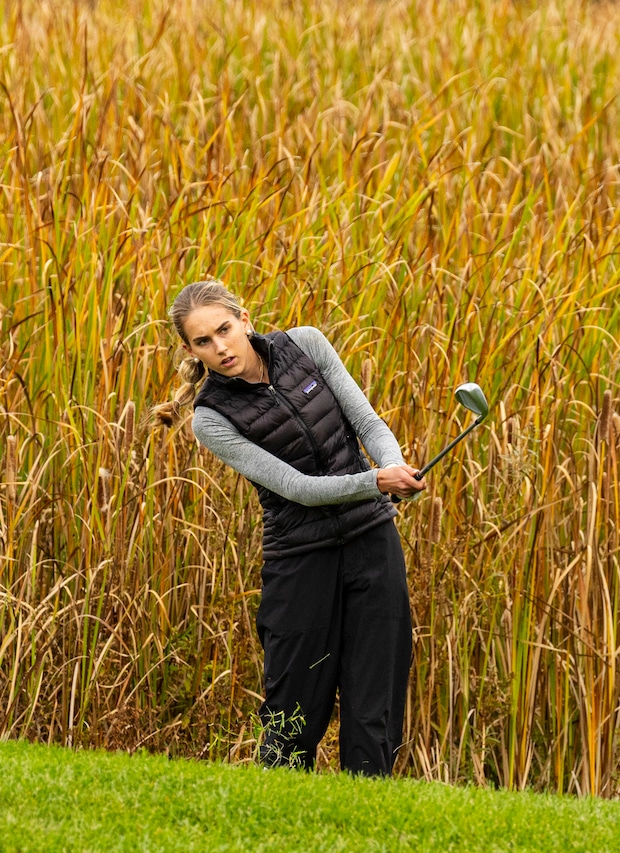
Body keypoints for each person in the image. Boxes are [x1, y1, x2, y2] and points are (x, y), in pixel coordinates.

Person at [152, 279, 426, 776]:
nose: (220, 348)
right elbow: (295, 486)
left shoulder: (307, 344)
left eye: (224, 330)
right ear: (190, 350)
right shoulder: (210, 418)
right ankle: (273, 820)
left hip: (372, 543)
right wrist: (376, 481)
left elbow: (368, 423)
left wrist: (394, 466)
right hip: (301, 563)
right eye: (203, 342)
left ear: (245, 321)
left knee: (375, 703)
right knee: (292, 714)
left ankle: (368, 818)